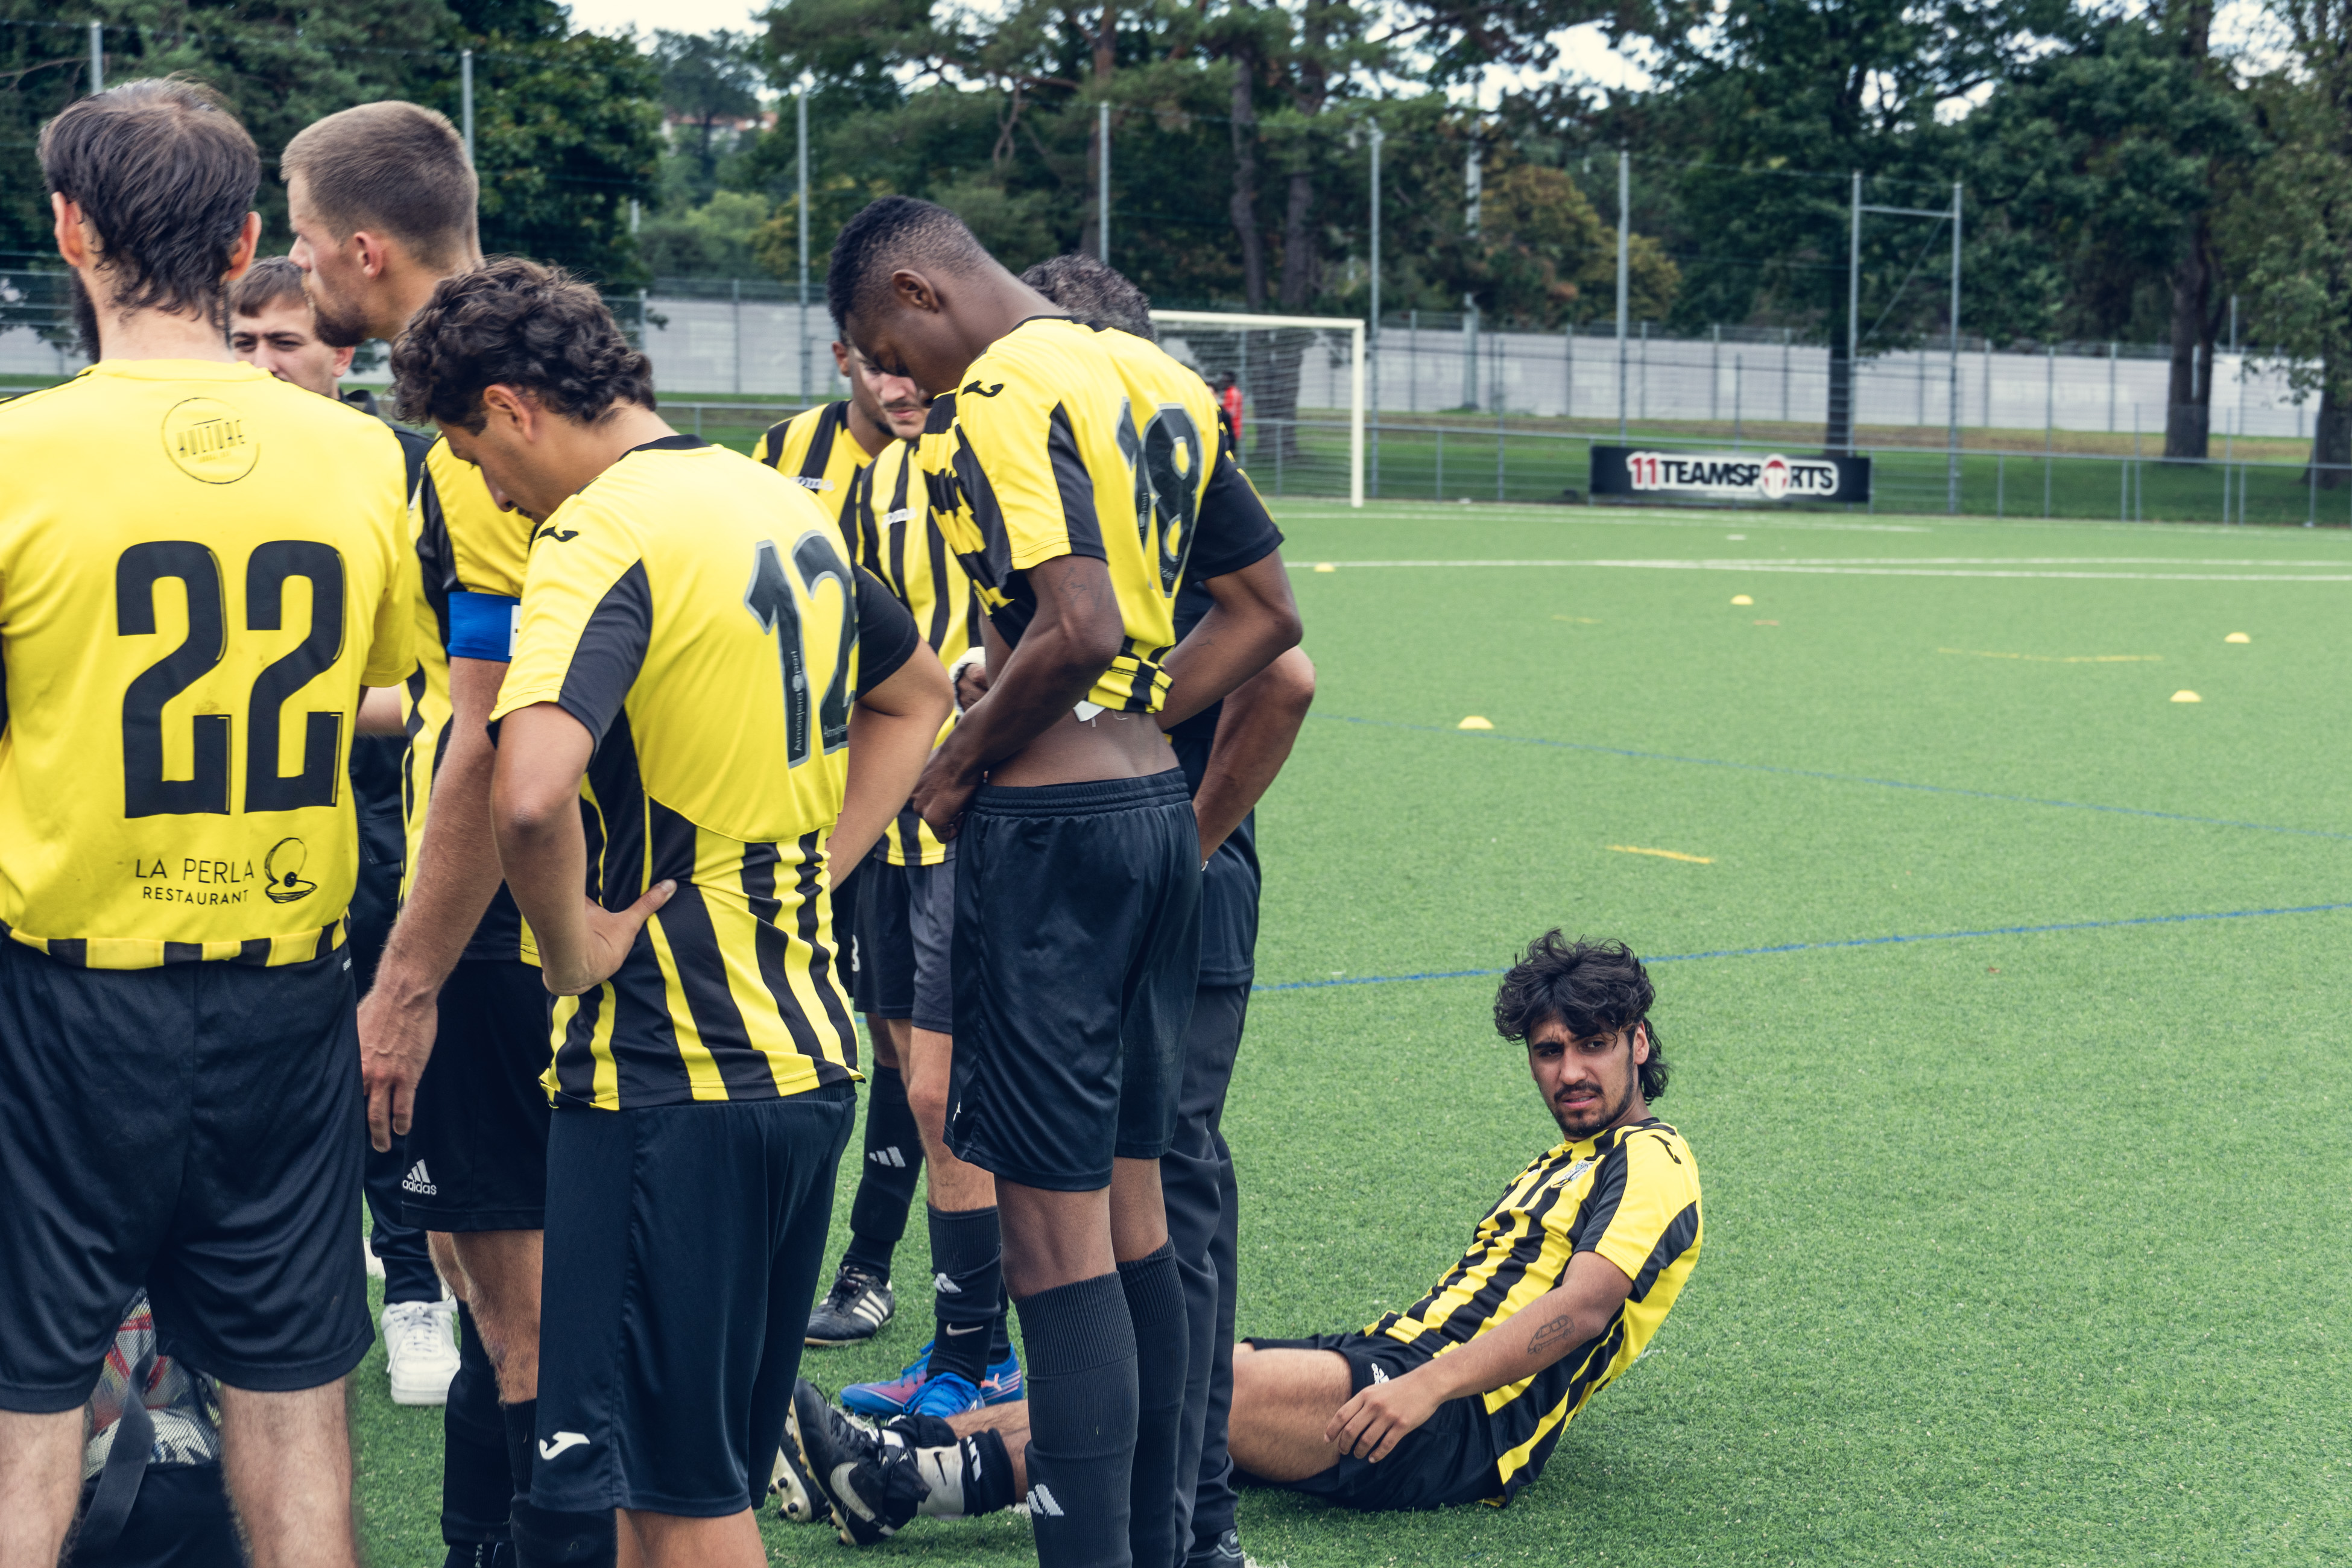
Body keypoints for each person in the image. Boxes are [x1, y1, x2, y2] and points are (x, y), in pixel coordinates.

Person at [390, 256, 953, 1568]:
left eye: (475, 453)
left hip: (667, 1072)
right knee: (679, 1487)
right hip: (804, 1062)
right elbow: (920, 693)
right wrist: (816, 865)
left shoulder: (602, 532)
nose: (490, 491)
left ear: (513, 407)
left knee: (678, 1504)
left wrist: (570, 944)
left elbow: (531, 792)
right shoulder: (781, 501)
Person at [827, 198, 1303, 1568]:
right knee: (1139, 1215)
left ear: (916, 290)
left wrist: (959, 767)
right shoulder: (1157, 377)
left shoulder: (1000, 392)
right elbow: (1266, 616)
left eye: (887, 351)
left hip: (1048, 834)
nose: (900, 384)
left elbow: (1078, 624)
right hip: (1158, 812)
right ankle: (1163, 1539)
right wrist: (1134, 708)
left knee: (1052, 1242)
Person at [0, 79, 415, 1568]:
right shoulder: (361, 456)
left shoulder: (17, 453)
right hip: (285, 990)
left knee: (29, 1405)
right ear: (246, 243)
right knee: (297, 1407)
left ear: (71, 230)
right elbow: (382, 694)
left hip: (67, 997)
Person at [792, 933, 1704, 1534]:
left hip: (1459, 1420)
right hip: (1395, 1358)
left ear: (1638, 1043)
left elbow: (1587, 1306)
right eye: (1550, 1051)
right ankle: (896, 1450)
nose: (1570, 1070)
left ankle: (899, 1488)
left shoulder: (1653, 1159)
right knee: (1177, 1374)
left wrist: (1426, 1386)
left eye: (1593, 1044)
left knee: (1201, 1391)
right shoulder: (1563, 1163)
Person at [1011, 253, 1320, 1568]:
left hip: (1170, 883)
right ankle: (1156, 1507)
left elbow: (1284, 676)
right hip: (1113, 883)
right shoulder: (1096, 478)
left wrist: (1178, 838)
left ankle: (1192, 1522)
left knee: (1166, 1194)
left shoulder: (1155, 471)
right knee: (1135, 1190)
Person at [282, 100, 546, 1568]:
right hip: (518, 901)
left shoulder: (479, 432)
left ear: (365, 250)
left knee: (520, 1308)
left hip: (502, 913)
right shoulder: (529, 378)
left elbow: (498, 731)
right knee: (475, 1258)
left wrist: (410, 975)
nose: (299, 262)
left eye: (306, 237)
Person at [227, 255, 461, 1412]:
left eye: (285, 342)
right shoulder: (205, 469)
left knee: (389, 1058)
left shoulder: (405, 468)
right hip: (234, 822)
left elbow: (448, 687)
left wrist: (287, 698)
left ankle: (415, 1288)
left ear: (342, 353)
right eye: (243, 343)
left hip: (380, 817)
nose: (262, 365)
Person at [768, 338, 935, 1351]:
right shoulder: (786, 452)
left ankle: (873, 1267)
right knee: (849, 1028)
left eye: (915, 363)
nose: (900, 384)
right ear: (842, 355)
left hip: (942, 795)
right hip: (823, 787)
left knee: (923, 1051)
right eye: (879, 362)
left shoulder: (966, 455)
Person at [1213, 371, 1242, 448]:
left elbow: (1231, 411)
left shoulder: (1232, 393)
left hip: (1231, 427)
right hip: (1232, 427)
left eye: (1225, 380)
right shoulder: (1234, 391)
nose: (1223, 383)